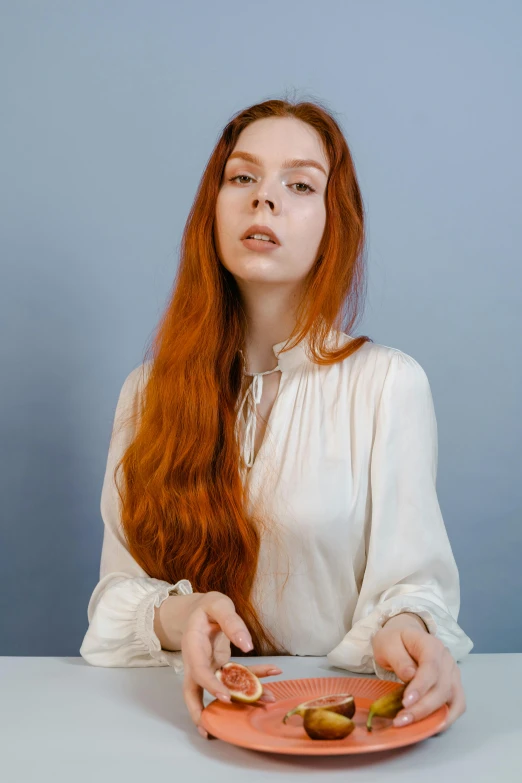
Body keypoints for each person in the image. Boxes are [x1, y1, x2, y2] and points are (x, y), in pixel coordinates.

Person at [80, 97, 474, 740]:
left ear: (332, 223)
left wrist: (409, 631)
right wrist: (185, 616)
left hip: (335, 727)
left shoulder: (389, 384)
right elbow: (115, 598)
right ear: (213, 207)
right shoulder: (146, 394)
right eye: (242, 177)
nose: (264, 200)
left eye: (299, 184)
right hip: (170, 724)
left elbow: (415, 585)